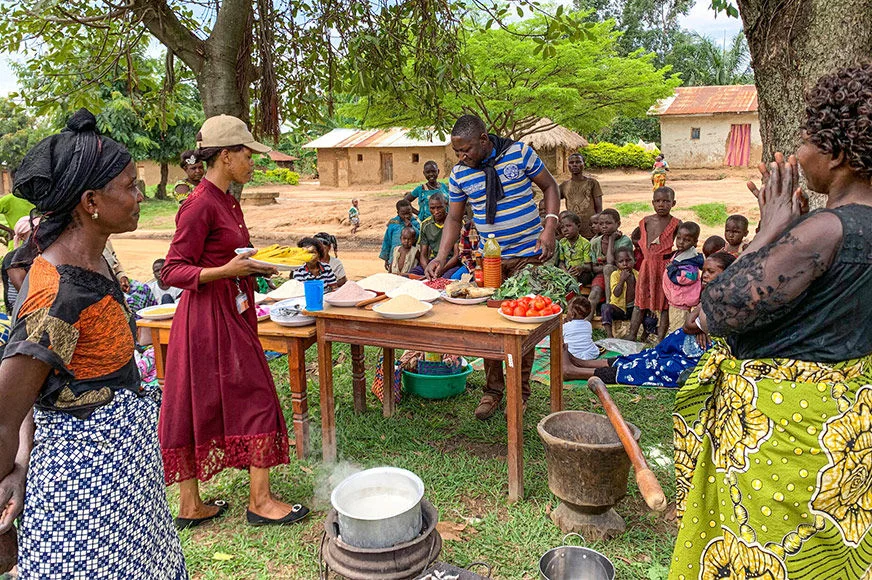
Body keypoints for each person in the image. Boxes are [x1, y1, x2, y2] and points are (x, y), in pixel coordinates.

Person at [670, 64, 872, 578]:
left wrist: (772, 228)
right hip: (846, 433)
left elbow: (711, 313)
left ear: (838, 154)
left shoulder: (826, 230)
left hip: (784, 440)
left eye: (805, 140)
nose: (798, 154)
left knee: (767, 554)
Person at [0, 109, 187, 578]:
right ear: (91, 201)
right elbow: (7, 411)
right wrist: (18, 467)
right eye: (130, 186)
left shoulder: (93, 261)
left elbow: (39, 385)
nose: (141, 195)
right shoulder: (57, 296)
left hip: (125, 475)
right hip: (84, 494)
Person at [160, 114, 309, 529]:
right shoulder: (199, 204)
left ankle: (191, 505)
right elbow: (172, 271)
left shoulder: (228, 199)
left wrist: (253, 267)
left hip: (231, 307)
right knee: (257, 396)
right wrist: (225, 272)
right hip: (208, 317)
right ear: (225, 156)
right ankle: (260, 502)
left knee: (199, 399)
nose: (253, 162)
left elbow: (231, 257)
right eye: (247, 154)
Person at [425, 114, 559, 420]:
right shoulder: (460, 174)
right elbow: (455, 219)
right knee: (490, 326)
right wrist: (441, 256)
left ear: (484, 139)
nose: (462, 157)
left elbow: (550, 187)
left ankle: (520, 392)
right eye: (457, 152)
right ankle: (493, 390)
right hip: (493, 261)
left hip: (529, 255)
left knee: (521, 325)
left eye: (467, 150)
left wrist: (549, 227)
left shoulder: (519, 153)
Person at [563, 252, 735, 386]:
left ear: (728, 274)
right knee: (648, 356)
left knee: (651, 368)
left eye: (711, 272)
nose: (704, 275)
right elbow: (691, 323)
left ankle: (575, 372)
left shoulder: (728, 300)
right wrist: (699, 323)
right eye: (703, 270)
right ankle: (583, 363)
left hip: (697, 358)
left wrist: (699, 326)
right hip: (688, 347)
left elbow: (690, 326)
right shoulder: (711, 294)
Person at [627, 187, 681, 342]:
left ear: (673, 203)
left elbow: (683, 241)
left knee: (664, 304)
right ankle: (632, 334)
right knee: (640, 300)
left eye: (666, 201)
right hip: (646, 266)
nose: (661, 204)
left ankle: (661, 339)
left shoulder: (676, 223)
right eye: (658, 201)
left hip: (664, 267)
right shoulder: (646, 221)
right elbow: (636, 237)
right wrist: (645, 249)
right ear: (652, 203)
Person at [588, 208, 634, 314]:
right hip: (602, 276)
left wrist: (612, 240)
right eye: (601, 223)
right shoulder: (595, 243)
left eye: (608, 223)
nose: (604, 226)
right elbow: (594, 268)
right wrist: (604, 267)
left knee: (608, 268)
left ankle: (610, 303)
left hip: (621, 275)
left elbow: (610, 263)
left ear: (618, 224)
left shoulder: (624, 241)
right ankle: (586, 323)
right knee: (594, 294)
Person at [662, 221, 703, 333]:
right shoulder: (680, 253)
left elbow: (687, 277)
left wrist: (672, 270)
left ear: (695, 242)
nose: (681, 242)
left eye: (686, 240)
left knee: (678, 328)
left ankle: (678, 348)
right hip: (676, 299)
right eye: (679, 238)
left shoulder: (690, 260)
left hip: (681, 302)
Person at [414, 193, 460, 277]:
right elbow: (423, 254)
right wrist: (427, 270)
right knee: (412, 275)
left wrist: (442, 270)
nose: (436, 211)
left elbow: (456, 255)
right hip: (433, 261)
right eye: (432, 208)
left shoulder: (455, 224)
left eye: (439, 207)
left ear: (446, 205)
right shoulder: (425, 225)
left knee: (446, 279)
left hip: (450, 263)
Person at [559, 153, 602, 239]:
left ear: (583, 164)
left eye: (578, 162)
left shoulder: (592, 183)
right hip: (573, 229)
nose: (574, 164)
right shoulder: (564, 185)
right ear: (568, 165)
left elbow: (599, 208)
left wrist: (599, 225)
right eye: (571, 162)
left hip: (590, 228)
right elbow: (553, 199)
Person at [601, 247, 637, 338]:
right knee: (605, 307)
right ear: (617, 264)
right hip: (619, 308)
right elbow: (616, 293)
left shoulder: (638, 275)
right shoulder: (615, 275)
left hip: (634, 309)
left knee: (647, 314)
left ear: (634, 260)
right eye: (621, 262)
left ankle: (643, 336)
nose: (625, 264)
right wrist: (622, 280)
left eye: (628, 260)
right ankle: (610, 336)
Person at [380, 199, 420, 271]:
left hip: (410, 258)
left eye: (409, 213)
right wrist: (386, 259)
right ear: (398, 213)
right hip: (394, 257)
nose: (406, 216)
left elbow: (419, 236)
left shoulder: (415, 223)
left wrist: (411, 226)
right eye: (403, 214)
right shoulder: (393, 222)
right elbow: (387, 240)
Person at [555, 212, 591, 283]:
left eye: (568, 226)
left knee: (585, 277)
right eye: (562, 227)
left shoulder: (585, 243)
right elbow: (561, 262)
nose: (565, 230)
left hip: (580, 272)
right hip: (567, 271)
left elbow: (589, 266)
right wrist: (565, 271)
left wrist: (581, 268)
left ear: (578, 226)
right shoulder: (562, 243)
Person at [563, 296, 599, 360]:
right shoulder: (588, 324)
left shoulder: (565, 326)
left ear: (572, 314)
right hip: (590, 353)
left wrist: (564, 323)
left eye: (568, 311)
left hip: (573, 354)